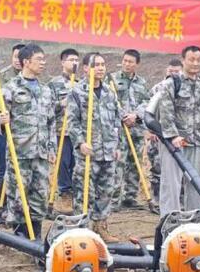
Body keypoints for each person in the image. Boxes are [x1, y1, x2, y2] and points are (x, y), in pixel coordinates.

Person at [0, 44, 57, 237]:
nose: (43, 63)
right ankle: (20, 235)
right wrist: (1, 120)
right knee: (18, 195)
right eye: (39, 59)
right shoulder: (10, 88)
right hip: (20, 152)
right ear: (26, 62)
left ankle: (35, 235)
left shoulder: (46, 90)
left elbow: (51, 121)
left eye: (44, 59)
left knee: (40, 194)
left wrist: (52, 148)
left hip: (41, 153)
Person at [149, 46, 200, 214]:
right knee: (171, 185)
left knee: (197, 183)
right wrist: (173, 136)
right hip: (174, 144)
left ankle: (196, 219)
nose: (195, 63)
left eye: (198, 60)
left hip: (196, 142)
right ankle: (170, 220)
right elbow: (166, 112)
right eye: (191, 59)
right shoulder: (172, 83)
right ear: (183, 60)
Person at [67, 52, 123, 241]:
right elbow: (72, 122)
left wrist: (117, 145)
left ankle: (101, 227)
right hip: (88, 153)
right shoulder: (77, 92)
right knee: (85, 193)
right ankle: (81, 231)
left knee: (106, 191)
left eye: (102, 64)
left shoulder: (109, 92)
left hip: (108, 152)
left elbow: (116, 120)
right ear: (85, 68)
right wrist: (80, 142)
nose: (100, 68)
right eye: (96, 65)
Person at [0, 43, 25, 225]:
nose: (17, 61)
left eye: (21, 57)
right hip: (6, 128)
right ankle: (2, 207)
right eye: (15, 56)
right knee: (5, 169)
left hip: (25, 133)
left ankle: (19, 206)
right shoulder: (2, 76)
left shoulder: (32, 77)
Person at [111, 49, 151, 210]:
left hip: (136, 129)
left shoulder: (142, 83)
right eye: (125, 61)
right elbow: (109, 101)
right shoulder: (112, 80)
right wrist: (123, 116)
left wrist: (135, 115)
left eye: (130, 62)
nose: (127, 64)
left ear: (137, 64)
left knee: (135, 163)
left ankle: (130, 197)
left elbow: (147, 102)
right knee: (118, 163)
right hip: (119, 130)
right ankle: (114, 199)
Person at [145, 57, 182, 212]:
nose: (173, 74)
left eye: (176, 71)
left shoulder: (184, 88)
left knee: (179, 171)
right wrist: (150, 130)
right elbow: (148, 109)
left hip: (178, 135)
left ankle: (178, 201)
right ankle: (157, 199)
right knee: (157, 169)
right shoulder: (157, 88)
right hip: (158, 134)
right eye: (170, 71)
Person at [48, 48, 81, 202]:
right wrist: (61, 103)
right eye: (71, 60)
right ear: (63, 62)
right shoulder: (54, 84)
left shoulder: (81, 84)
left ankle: (77, 194)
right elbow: (47, 108)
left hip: (77, 132)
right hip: (62, 131)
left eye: (77, 60)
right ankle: (65, 193)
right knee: (63, 164)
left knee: (77, 164)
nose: (75, 63)